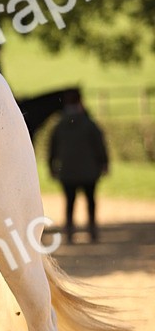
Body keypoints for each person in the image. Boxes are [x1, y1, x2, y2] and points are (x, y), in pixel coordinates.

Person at [48, 90, 109, 243]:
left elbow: (52, 148)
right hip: (89, 171)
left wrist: (52, 166)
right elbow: (100, 145)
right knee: (90, 201)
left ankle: (69, 231)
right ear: (80, 102)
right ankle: (92, 230)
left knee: (69, 202)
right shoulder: (90, 124)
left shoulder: (59, 125)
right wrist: (104, 163)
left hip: (67, 171)